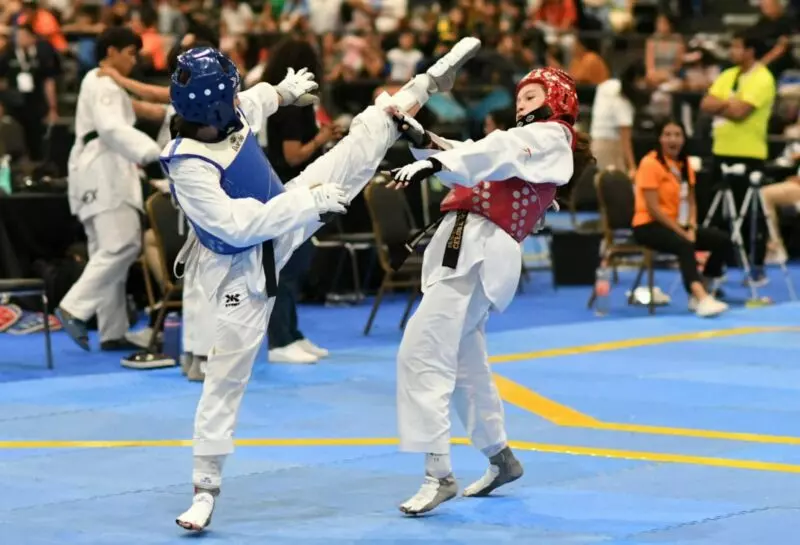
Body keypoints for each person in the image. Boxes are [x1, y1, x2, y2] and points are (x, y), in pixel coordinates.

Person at [161, 39, 482, 531]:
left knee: (368, 134)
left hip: (286, 210)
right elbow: (236, 226)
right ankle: (205, 488)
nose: (238, 101)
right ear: (213, 104)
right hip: (240, 269)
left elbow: (259, 100)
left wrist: (285, 92)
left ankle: (425, 82)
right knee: (225, 377)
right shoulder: (187, 163)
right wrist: (307, 205)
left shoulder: (229, 110)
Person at [387, 67, 595, 515]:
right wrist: (422, 137)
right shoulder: (514, 147)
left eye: (532, 95)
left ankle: (437, 474)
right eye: (519, 97)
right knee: (465, 365)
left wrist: (434, 161)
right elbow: (471, 154)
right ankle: (500, 458)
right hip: (463, 247)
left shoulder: (552, 137)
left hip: (478, 251)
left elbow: (488, 152)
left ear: (556, 99)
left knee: (420, 354)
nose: (522, 103)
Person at [99, 37, 218, 380]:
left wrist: (118, 81)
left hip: (209, 191)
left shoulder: (208, 92)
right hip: (192, 192)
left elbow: (154, 99)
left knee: (203, 273)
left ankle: (199, 353)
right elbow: (154, 101)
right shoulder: (192, 94)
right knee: (198, 273)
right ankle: (197, 354)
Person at [56, 27, 162, 351]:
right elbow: (112, 128)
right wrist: (153, 154)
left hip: (102, 172)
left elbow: (142, 111)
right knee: (122, 245)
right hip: (103, 172)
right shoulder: (101, 80)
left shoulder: (109, 85)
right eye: (130, 52)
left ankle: (112, 331)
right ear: (111, 51)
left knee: (108, 250)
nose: (134, 59)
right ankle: (74, 307)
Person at [263, 37, 339, 364]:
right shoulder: (292, 108)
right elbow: (292, 155)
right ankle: (279, 340)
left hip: (290, 188)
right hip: (288, 188)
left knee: (297, 264)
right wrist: (323, 137)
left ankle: (291, 333)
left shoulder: (287, 101)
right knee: (287, 266)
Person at [632, 120, 731, 317]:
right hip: (648, 225)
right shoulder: (650, 163)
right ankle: (701, 298)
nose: (673, 139)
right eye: (668, 134)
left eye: (677, 135)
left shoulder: (685, 163)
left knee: (723, 240)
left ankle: (703, 287)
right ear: (660, 139)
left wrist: (692, 227)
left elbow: (692, 201)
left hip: (678, 223)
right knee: (684, 245)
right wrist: (682, 232)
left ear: (684, 139)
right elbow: (653, 208)